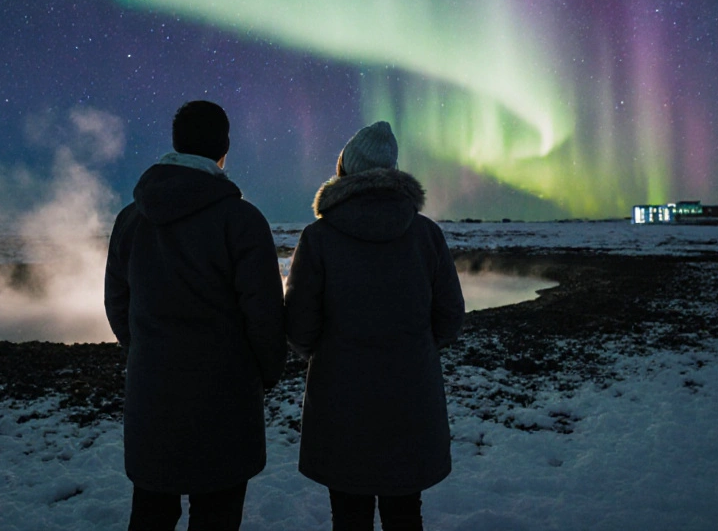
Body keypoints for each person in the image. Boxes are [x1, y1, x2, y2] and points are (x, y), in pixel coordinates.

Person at [105, 100, 286, 531]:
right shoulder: (241, 221)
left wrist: (148, 351)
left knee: (151, 511)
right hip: (224, 401)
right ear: (224, 149)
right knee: (218, 514)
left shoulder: (131, 219)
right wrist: (266, 371)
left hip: (153, 393)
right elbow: (264, 314)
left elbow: (118, 304)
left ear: (175, 144)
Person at [284, 121, 465, 531]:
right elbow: (450, 315)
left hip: (339, 400)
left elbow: (299, 323)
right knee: (405, 512)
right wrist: (414, 350)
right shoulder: (426, 236)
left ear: (345, 170)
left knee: (349, 514)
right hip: (410, 396)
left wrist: (324, 353)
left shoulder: (319, 238)